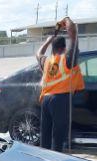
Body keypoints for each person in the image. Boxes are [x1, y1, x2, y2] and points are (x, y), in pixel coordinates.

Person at [36, 17, 85, 152]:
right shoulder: (67, 59)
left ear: (53, 48)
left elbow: (38, 53)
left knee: (45, 134)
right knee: (58, 135)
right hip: (60, 100)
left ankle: (44, 159)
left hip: (46, 100)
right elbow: (73, 34)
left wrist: (49, 39)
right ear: (64, 48)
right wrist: (67, 20)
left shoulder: (47, 61)